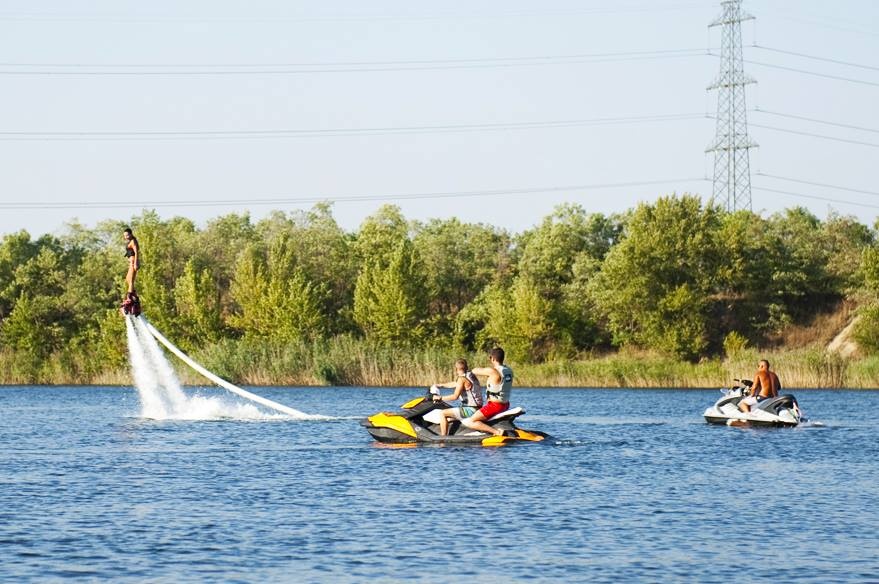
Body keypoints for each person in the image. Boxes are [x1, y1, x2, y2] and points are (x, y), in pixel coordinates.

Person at [461, 347, 516, 438]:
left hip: (495, 406)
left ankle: (496, 432)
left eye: (490, 358)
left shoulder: (493, 371)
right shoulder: (508, 370)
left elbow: (475, 371)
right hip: (506, 404)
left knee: (470, 421)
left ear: (493, 359)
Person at [430, 359, 484, 437]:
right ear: (466, 367)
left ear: (456, 369)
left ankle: (443, 438)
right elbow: (455, 384)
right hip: (477, 408)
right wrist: (441, 385)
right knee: (448, 419)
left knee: (442, 413)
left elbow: (455, 397)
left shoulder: (462, 379)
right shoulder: (470, 376)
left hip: (471, 409)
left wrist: (440, 398)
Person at [123, 227, 140, 294]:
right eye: (124, 236)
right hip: (131, 263)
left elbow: (136, 252)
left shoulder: (133, 241)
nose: (126, 237)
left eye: (127, 235)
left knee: (131, 281)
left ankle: (130, 296)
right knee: (127, 279)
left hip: (133, 262)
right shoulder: (130, 241)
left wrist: (136, 263)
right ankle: (133, 293)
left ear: (131, 234)